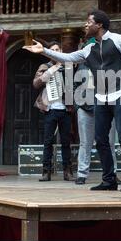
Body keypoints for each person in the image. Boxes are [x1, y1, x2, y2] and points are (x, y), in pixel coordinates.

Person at [24, 9, 121, 192]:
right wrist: (44, 51)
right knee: (101, 140)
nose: (85, 25)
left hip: (120, 94)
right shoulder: (89, 49)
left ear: (99, 25)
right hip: (101, 98)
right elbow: (68, 58)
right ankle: (109, 180)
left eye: (89, 22)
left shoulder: (119, 40)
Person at [33, 41, 75, 182]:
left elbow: (73, 86)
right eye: (52, 50)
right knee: (48, 141)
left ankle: (67, 171)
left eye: (57, 49)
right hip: (50, 109)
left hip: (65, 109)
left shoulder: (68, 67)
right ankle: (46, 172)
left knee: (66, 142)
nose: (55, 51)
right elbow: (36, 83)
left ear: (61, 50)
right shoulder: (45, 67)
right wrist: (53, 69)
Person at [73, 55, 118, 185]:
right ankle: (82, 174)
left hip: (106, 109)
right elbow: (75, 86)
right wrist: (78, 106)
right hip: (85, 109)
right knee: (85, 143)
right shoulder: (83, 65)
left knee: (109, 143)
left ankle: (112, 174)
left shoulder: (108, 63)